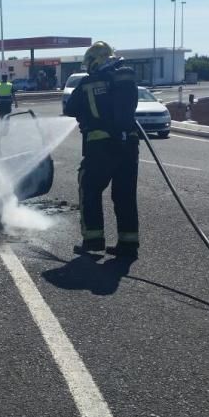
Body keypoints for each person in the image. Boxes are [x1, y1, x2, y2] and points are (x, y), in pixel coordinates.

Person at [64, 41, 140, 259]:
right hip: (129, 145)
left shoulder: (89, 82)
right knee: (125, 195)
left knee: (89, 188)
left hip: (100, 146)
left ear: (95, 61)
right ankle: (128, 245)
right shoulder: (125, 80)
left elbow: (70, 108)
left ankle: (93, 240)